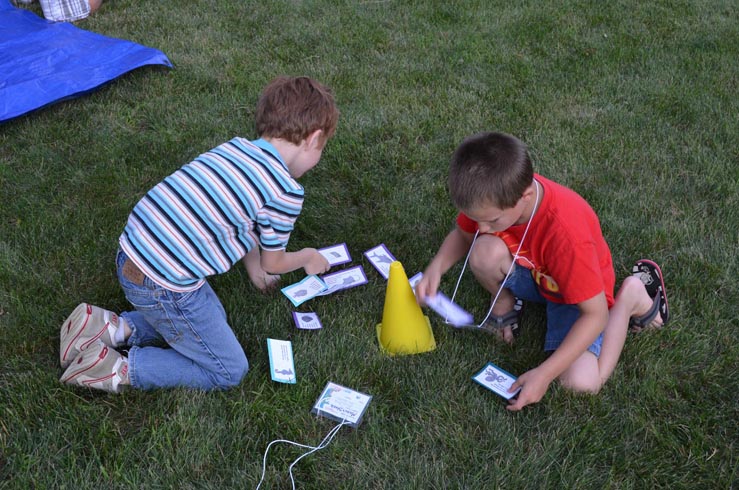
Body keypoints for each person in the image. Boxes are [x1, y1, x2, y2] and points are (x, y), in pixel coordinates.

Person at [59, 76, 340, 393]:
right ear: (313, 139)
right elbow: (274, 262)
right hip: (164, 283)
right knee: (229, 370)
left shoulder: (236, 149)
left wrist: (253, 269)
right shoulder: (285, 190)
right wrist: (309, 257)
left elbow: (242, 219)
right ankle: (113, 368)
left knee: (212, 319)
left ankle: (106, 327)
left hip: (134, 249)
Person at [416, 132, 669, 411]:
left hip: (576, 297)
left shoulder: (566, 235)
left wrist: (545, 374)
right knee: (483, 251)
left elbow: (594, 316)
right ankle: (503, 302)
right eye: (477, 220)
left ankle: (629, 298)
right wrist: (436, 268)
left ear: (525, 196)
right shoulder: (491, 199)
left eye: (491, 221)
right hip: (538, 276)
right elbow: (463, 236)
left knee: (581, 384)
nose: (482, 228)